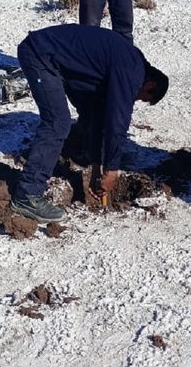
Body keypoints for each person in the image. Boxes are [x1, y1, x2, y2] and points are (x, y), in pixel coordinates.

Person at [10, 24, 169, 223]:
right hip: (40, 54)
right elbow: (117, 122)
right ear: (150, 85)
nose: (135, 100)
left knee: (82, 116)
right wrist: (112, 170)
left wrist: (97, 165)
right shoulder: (131, 71)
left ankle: (50, 166)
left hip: (50, 56)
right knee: (57, 123)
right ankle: (27, 195)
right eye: (142, 97)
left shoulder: (131, 64)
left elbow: (98, 116)